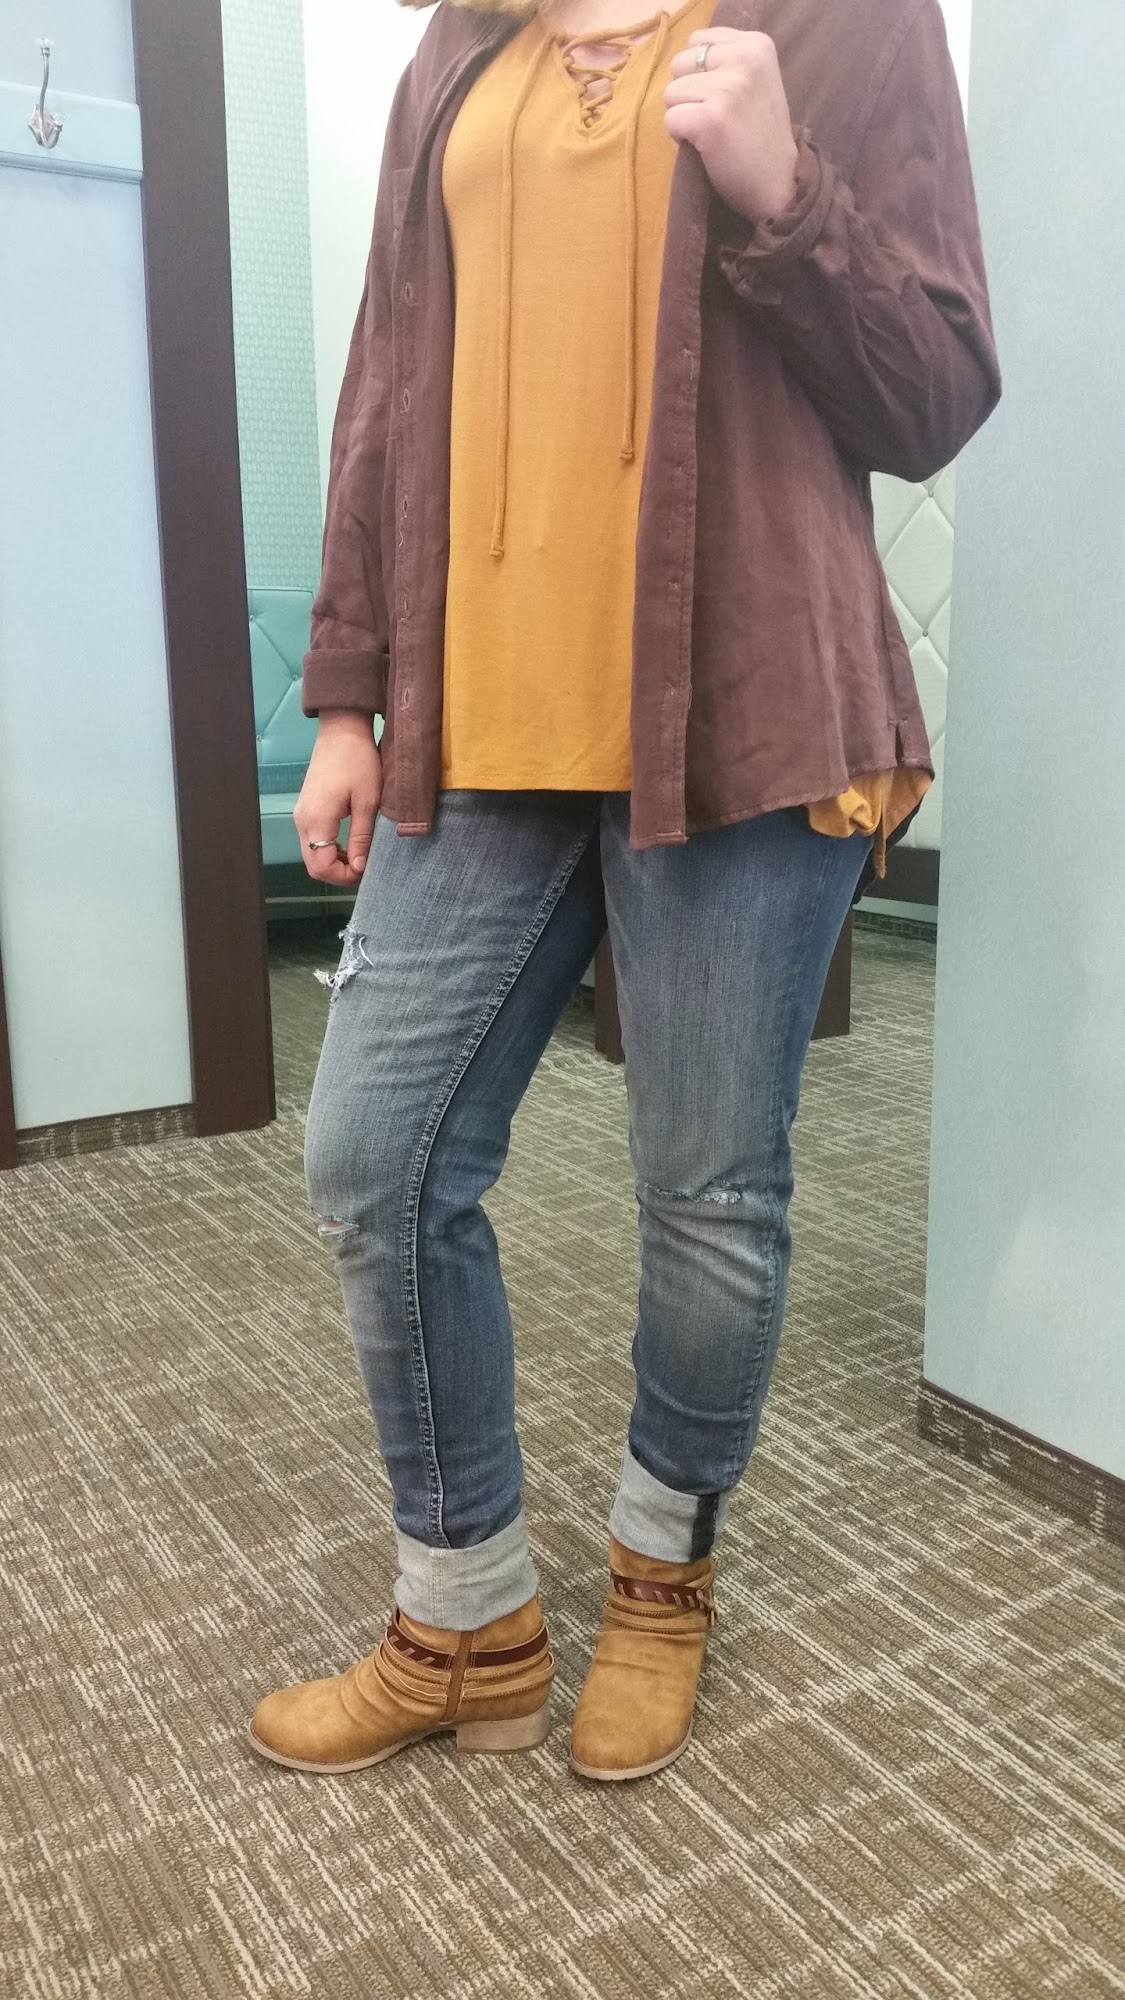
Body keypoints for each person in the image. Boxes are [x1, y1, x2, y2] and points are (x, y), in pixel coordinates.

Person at [250, 0, 998, 1781]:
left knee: (708, 1192)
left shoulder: (838, 20)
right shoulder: (461, 43)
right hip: (479, 722)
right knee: (373, 1159)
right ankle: (467, 1615)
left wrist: (783, 190)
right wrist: (347, 696)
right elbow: (387, 379)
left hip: (745, 708)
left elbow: (933, 394)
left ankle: (664, 1576)